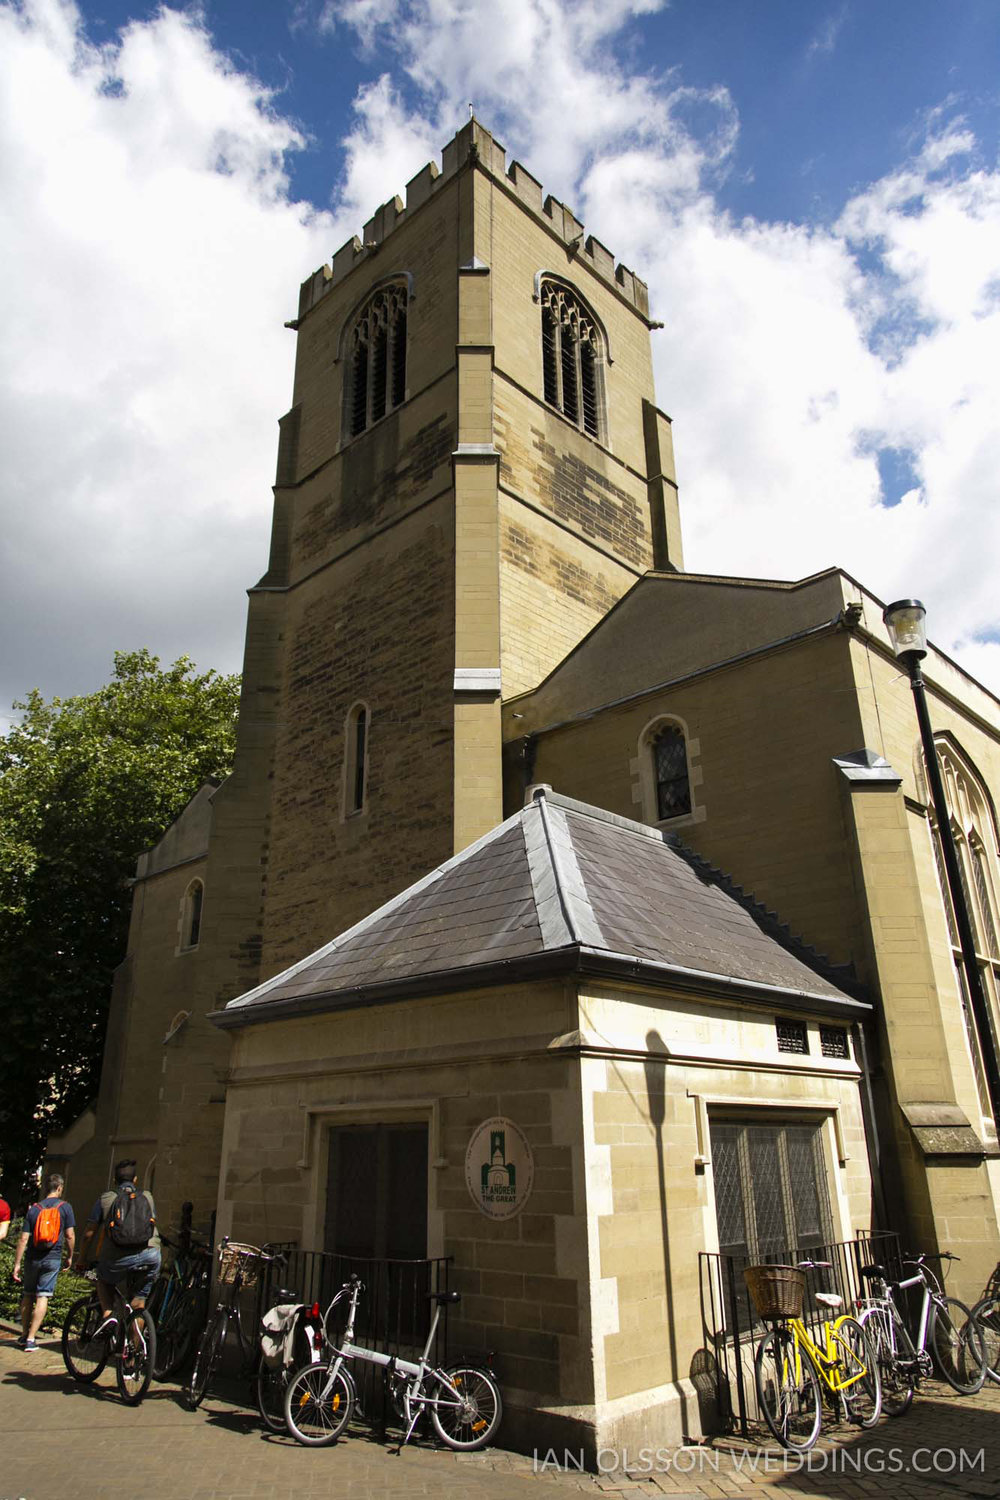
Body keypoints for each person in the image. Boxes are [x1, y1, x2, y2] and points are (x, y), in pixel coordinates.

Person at [76, 1159, 160, 1333]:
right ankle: (134, 1357)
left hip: (117, 1257)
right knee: (138, 1305)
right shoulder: (148, 1197)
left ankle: (108, 1315)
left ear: (115, 1180)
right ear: (135, 1179)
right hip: (150, 1255)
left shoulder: (106, 1199)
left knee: (103, 1280)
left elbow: (89, 1234)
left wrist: (82, 1258)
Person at [11, 1174, 76, 1351]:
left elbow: (24, 1239)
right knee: (43, 1296)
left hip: (33, 1257)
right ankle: (32, 1338)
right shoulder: (65, 1208)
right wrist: (70, 1256)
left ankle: (24, 1335)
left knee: (27, 1294)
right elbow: (70, 1235)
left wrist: (17, 1264)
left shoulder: (35, 1209)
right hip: (53, 1258)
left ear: (46, 1188)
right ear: (60, 1188)